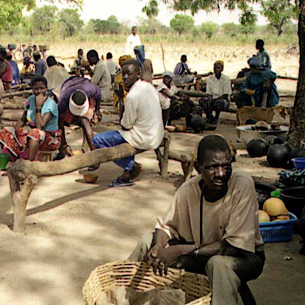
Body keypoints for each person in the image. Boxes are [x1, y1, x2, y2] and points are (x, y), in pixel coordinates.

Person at [129, 135, 264, 305]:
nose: (221, 173)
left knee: (218, 264)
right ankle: (126, 294)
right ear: (199, 168)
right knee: (146, 241)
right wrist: (157, 247)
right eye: (213, 167)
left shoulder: (242, 185)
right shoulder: (188, 190)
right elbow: (166, 227)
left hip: (243, 257)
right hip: (200, 254)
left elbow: (232, 246)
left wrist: (180, 251)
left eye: (226, 166)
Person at [93, 60, 163, 187]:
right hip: (156, 135)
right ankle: (127, 170)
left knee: (97, 140)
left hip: (143, 138)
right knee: (123, 136)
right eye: (123, 74)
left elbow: (125, 125)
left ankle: (131, 167)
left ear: (138, 74)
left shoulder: (132, 96)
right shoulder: (149, 87)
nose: (125, 77)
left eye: (129, 74)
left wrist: (121, 100)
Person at [0, 76, 60, 161]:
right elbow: (23, 119)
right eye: (36, 89)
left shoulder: (51, 104)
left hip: (49, 139)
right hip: (33, 137)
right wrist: (13, 132)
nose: (39, 91)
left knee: (34, 132)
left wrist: (38, 106)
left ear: (46, 89)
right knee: (6, 131)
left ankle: (30, 163)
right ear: (32, 89)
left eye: (42, 88)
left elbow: (39, 126)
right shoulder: (31, 100)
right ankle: (14, 158)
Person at [56, 77, 102, 163]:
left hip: (85, 92)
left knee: (85, 122)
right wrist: (64, 145)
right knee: (64, 121)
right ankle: (62, 152)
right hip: (69, 92)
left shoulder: (91, 90)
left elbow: (98, 95)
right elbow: (60, 125)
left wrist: (97, 110)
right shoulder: (63, 100)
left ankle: (95, 156)